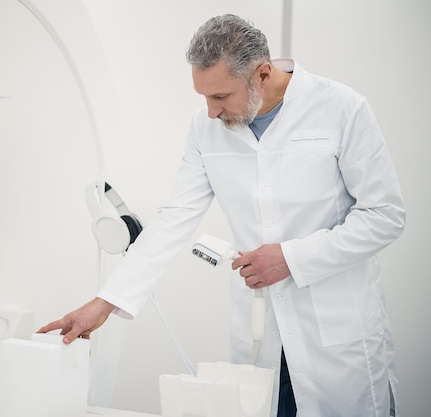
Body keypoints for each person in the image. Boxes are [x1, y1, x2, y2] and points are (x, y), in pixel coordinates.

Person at [38, 14, 405, 417]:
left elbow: (384, 215)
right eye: (204, 97)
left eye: (220, 97)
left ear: (262, 74)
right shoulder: (205, 128)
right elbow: (175, 216)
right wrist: (104, 302)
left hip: (337, 332)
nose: (211, 112)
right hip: (261, 329)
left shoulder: (341, 109)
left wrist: (291, 258)